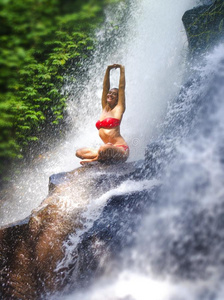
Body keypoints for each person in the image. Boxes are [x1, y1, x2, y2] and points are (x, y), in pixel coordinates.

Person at [76, 64, 129, 165]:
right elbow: (105, 87)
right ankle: (100, 156)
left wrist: (122, 68)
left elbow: (121, 87)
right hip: (107, 150)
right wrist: (108, 69)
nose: (110, 95)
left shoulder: (119, 108)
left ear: (118, 98)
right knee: (79, 152)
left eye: (114, 94)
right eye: (109, 93)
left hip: (120, 150)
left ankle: (94, 160)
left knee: (104, 148)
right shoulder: (104, 107)